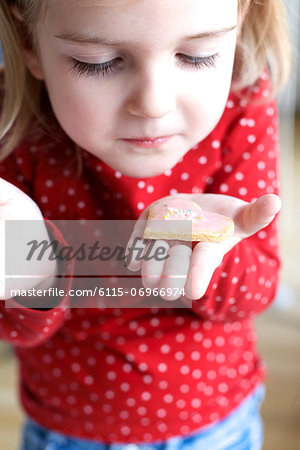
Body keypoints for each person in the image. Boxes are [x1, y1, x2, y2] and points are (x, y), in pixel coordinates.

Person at [0, 0, 292, 449]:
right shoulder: (12, 126)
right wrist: (35, 272)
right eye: (97, 62)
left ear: (242, 23)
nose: (153, 105)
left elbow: (259, 289)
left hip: (216, 424)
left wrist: (213, 254)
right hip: (66, 427)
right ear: (27, 43)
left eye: (197, 57)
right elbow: (14, 326)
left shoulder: (243, 103)